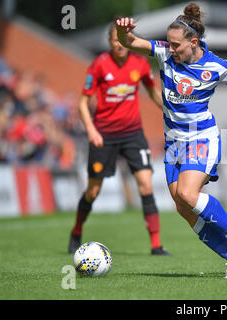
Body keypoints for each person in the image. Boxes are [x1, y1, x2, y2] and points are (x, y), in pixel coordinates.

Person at [115, 3, 227, 278]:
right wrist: (121, 31)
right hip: (173, 143)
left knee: (188, 194)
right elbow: (132, 42)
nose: (171, 49)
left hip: (202, 138)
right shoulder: (164, 52)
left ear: (193, 42)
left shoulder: (216, 66)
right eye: (169, 44)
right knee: (183, 207)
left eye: (176, 45)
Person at [68, 22, 171, 256]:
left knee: (145, 184)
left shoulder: (140, 64)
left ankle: (156, 244)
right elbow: (83, 103)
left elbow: (152, 91)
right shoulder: (99, 65)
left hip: (133, 134)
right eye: (114, 40)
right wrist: (92, 131)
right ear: (109, 42)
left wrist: (167, 110)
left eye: (122, 39)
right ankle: (76, 231)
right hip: (104, 136)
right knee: (93, 191)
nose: (119, 44)